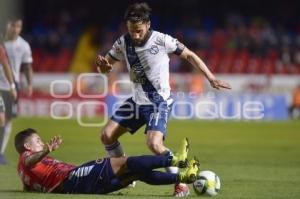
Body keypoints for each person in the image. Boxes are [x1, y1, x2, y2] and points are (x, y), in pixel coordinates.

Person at [95, 2, 231, 196]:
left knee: (154, 145)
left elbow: (190, 55)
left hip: (158, 102)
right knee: (106, 135)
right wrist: (103, 67)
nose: (135, 35)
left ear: (148, 24)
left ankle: (181, 183)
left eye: (139, 31)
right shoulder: (122, 42)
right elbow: (104, 67)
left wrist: (211, 77)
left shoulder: (162, 40)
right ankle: (125, 173)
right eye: (132, 30)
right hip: (137, 101)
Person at [15, 128, 200, 194]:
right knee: (126, 162)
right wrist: (47, 149)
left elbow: (28, 184)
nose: (41, 142)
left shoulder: (21, 171)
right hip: (73, 178)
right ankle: (174, 160)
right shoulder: (26, 157)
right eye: (37, 141)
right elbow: (31, 161)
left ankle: (183, 178)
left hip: (81, 186)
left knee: (137, 173)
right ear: (27, 146)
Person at [0, 16, 33, 160]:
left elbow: (27, 66)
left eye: (18, 26)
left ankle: (0, 152)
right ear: (7, 25)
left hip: (11, 86)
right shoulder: (1, 41)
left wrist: (29, 83)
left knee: (7, 120)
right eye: (13, 25)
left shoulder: (24, 46)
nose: (15, 29)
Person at [0, 32, 17, 164]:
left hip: (4, 88)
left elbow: (6, 67)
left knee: (3, 118)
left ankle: (0, 153)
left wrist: (12, 86)